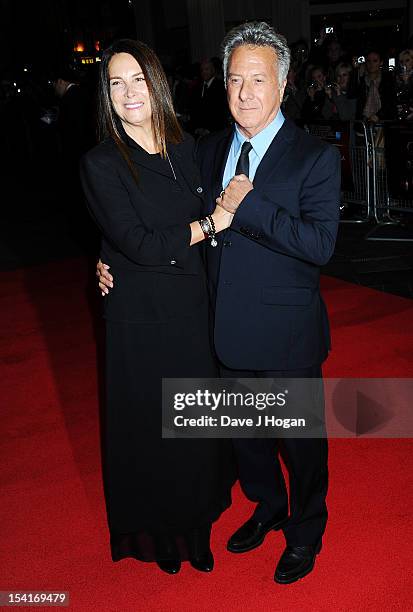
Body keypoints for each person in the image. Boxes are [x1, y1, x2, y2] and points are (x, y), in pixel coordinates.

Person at [98, 22, 340, 584]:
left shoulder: (314, 157)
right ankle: (268, 507)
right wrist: (107, 254)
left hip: (286, 335)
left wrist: (248, 205)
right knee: (247, 440)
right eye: (235, 79)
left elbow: (320, 245)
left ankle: (306, 529)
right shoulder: (204, 151)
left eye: (259, 79)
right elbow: (151, 211)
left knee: (300, 445)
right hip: (220, 329)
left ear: (283, 84)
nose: (245, 92)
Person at [80, 39, 235, 575]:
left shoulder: (186, 145)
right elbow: (138, 242)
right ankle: (164, 537)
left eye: (138, 79)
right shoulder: (101, 162)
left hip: (192, 307)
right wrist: (211, 223)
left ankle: (198, 528)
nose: (128, 93)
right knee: (152, 432)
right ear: (107, 94)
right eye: (116, 83)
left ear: (157, 84)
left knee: (194, 426)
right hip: (140, 318)